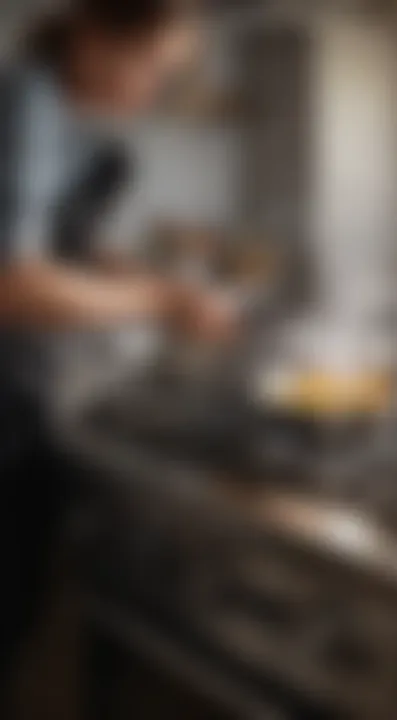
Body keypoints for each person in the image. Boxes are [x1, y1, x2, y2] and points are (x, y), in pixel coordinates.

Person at [0, 0, 234, 692]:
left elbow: (58, 248)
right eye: (154, 68)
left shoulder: (63, 121)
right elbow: (14, 285)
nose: (156, 90)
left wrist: (153, 279)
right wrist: (162, 301)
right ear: (94, 37)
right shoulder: (26, 112)